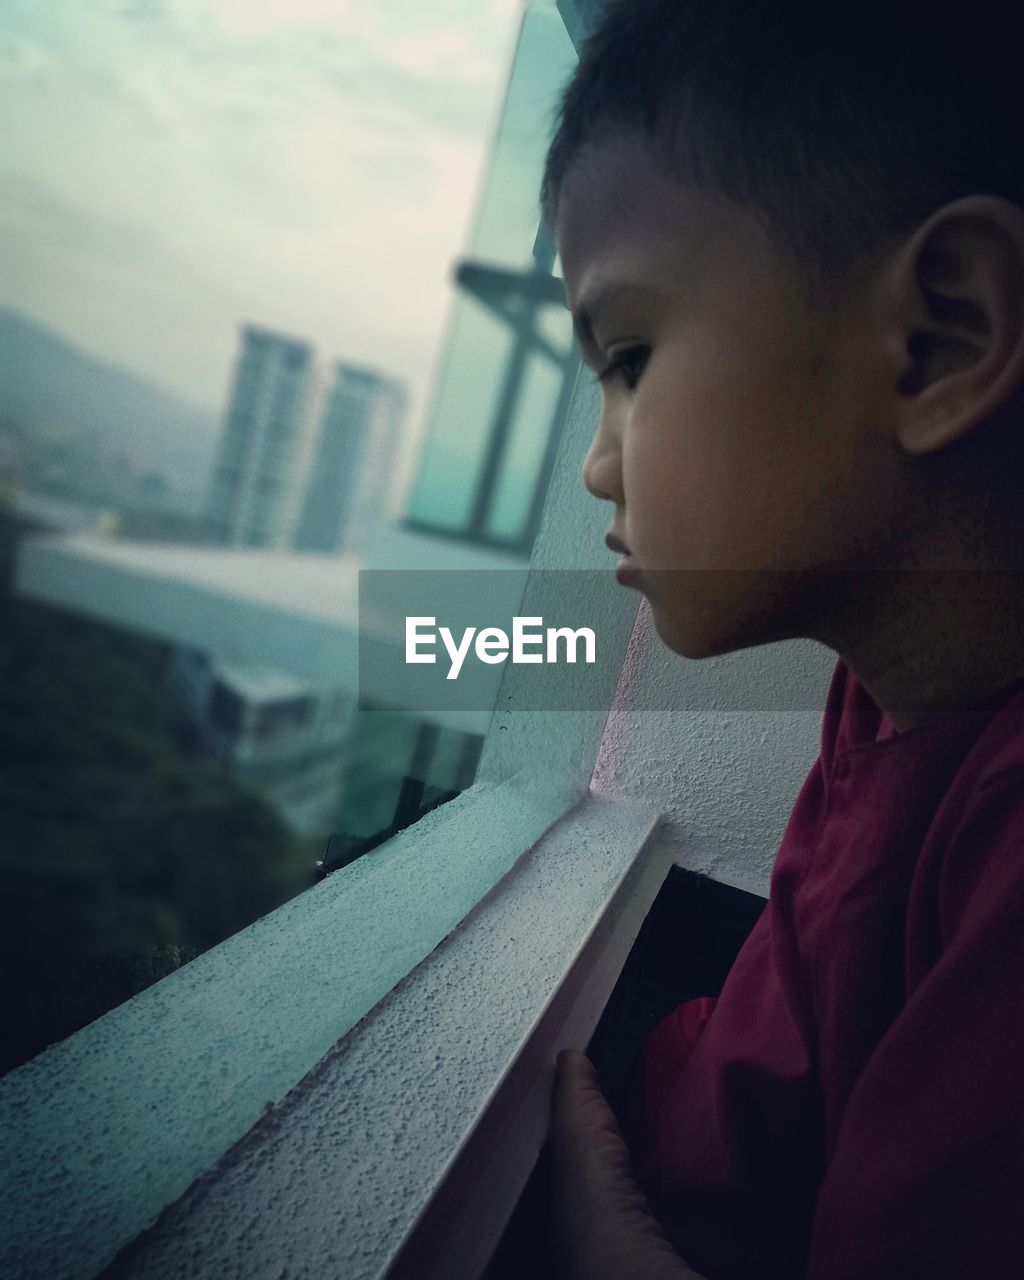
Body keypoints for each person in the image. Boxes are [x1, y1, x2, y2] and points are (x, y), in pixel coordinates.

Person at [540, 1, 1024, 1276]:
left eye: (631, 355)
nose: (597, 470)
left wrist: (609, 1239)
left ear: (941, 338)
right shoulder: (889, 703)